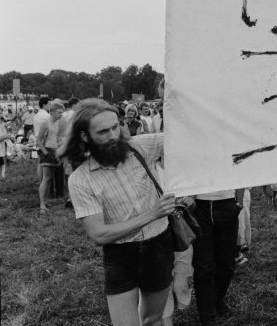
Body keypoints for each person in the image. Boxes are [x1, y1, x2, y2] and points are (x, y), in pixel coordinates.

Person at [60, 98, 175, 326]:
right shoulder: (81, 179)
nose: (113, 135)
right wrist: (152, 214)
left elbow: (188, 139)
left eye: (115, 126)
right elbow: (99, 234)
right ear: (85, 136)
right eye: (103, 131)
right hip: (121, 255)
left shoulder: (142, 147)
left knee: (153, 319)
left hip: (158, 246)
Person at [192, 187, 245, 325]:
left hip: (226, 203)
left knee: (226, 262)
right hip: (199, 205)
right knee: (203, 266)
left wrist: (239, 202)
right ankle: (206, 315)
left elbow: (240, 168)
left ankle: (217, 299)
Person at [36, 99, 64, 213]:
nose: (61, 115)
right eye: (59, 112)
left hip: (54, 151)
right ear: (52, 112)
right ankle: (42, 205)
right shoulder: (45, 122)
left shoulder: (57, 122)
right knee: (46, 178)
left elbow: (56, 138)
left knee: (49, 178)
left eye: (62, 112)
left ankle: (45, 201)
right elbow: (38, 139)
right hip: (46, 151)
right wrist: (46, 153)